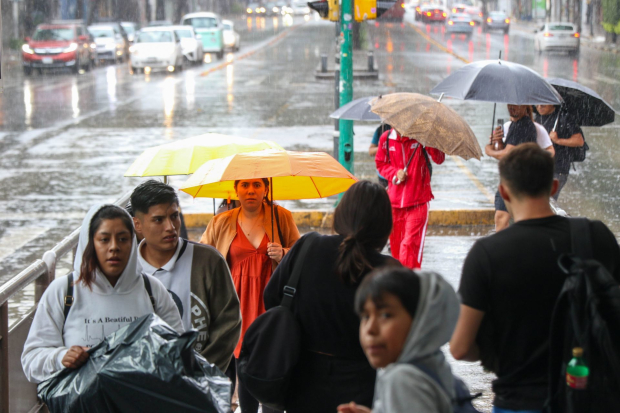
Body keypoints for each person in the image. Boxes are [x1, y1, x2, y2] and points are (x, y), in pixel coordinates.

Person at [450, 143, 620, 413]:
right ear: (553, 187)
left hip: (518, 401)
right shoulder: (594, 236)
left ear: (503, 192)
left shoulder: (487, 254)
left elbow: (460, 348)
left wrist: (499, 352)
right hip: (589, 396)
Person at [263, 180, 400, 413]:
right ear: (384, 225)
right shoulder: (391, 272)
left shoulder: (308, 247)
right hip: (364, 393)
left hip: (302, 387)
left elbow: (272, 298)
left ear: (341, 214)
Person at [21, 204, 184, 384]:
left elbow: (180, 353)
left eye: (123, 239)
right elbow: (31, 360)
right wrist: (61, 358)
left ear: (132, 243)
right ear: (91, 243)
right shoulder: (63, 292)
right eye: (104, 239)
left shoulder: (152, 290)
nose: (114, 247)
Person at [201, 178, 300, 413]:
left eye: (257, 185)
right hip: (234, 305)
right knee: (242, 360)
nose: (251, 191)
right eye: (245, 185)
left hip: (270, 303)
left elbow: (300, 255)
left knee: (271, 361)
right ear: (236, 189)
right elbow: (203, 258)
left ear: (266, 188)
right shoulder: (221, 221)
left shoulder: (281, 217)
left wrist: (283, 253)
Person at [131, 180, 241, 373]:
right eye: (158, 220)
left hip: (201, 382)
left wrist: (200, 371)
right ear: (137, 224)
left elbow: (229, 323)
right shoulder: (128, 269)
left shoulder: (208, 261)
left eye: (174, 216)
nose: (170, 227)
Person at [338, 267, 460, 413]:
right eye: (365, 316)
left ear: (420, 322)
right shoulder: (432, 362)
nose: (370, 329)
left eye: (385, 315)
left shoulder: (402, 379)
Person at [375, 128, 445, 269]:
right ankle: (400, 284)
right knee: (396, 250)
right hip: (394, 204)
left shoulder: (422, 136)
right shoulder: (386, 138)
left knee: (409, 247)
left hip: (418, 202)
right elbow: (380, 163)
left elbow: (439, 158)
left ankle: (408, 284)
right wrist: (395, 174)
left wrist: (429, 140)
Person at [486, 104, 538, 232]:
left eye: (515, 105)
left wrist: (489, 150)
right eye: (509, 104)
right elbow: (505, 151)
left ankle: (505, 248)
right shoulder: (514, 125)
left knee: (503, 218)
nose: (511, 107)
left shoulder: (524, 125)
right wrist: (497, 142)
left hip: (519, 179)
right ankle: (504, 247)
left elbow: (507, 154)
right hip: (511, 178)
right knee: (501, 217)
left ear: (525, 106)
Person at [535, 104, 585, 200]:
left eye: (543, 103)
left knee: (545, 202)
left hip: (558, 169)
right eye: (537, 104)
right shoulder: (538, 119)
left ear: (552, 103)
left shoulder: (564, 118)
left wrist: (557, 140)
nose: (539, 106)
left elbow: (579, 141)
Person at [369, 124, 392, 188]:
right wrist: (382, 146)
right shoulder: (380, 130)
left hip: (400, 174)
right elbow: (371, 151)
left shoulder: (404, 131)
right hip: (383, 175)